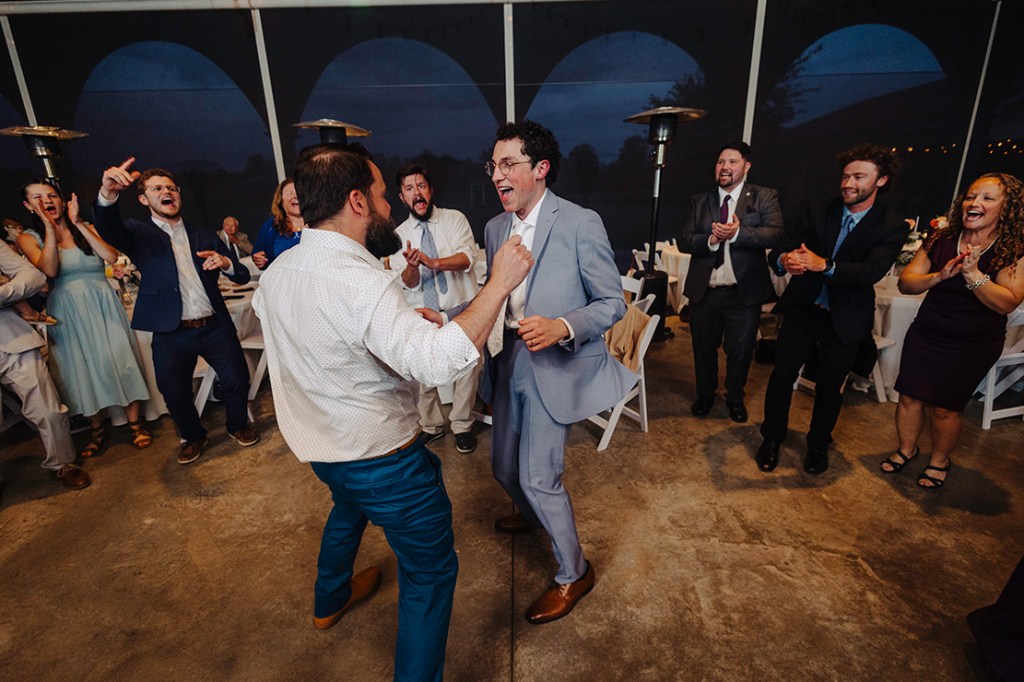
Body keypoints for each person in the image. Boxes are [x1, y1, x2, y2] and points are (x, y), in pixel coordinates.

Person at [252, 144, 532, 682]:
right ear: (358, 202)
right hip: (385, 463)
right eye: (382, 195)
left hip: (323, 450)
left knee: (346, 510)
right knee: (429, 575)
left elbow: (317, 336)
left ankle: (330, 598)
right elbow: (437, 363)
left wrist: (393, 328)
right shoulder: (359, 282)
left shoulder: (279, 272)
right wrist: (498, 283)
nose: (388, 206)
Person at [478, 120, 635, 624]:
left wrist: (563, 326)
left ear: (541, 168)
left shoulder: (580, 222)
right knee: (503, 469)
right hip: (508, 360)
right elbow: (490, 294)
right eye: (493, 165)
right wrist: (446, 317)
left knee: (539, 477)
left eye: (509, 164)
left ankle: (574, 572)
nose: (498, 175)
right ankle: (531, 515)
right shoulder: (495, 228)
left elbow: (612, 303)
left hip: (556, 365)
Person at [93, 158, 259, 465]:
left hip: (214, 326)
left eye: (170, 187)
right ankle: (192, 436)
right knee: (174, 392)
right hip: (171, 332)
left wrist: (226, 263)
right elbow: (109, 228)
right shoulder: (138, 234)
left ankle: (238, 425)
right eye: (157, 189)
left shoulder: (205, 235)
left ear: (178, 195)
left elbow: (241, 275)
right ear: (144, 199)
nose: (166, 192)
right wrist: (108, 193)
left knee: (237, 379)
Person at [757, 143, 906, 475]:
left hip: (845, 318)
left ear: (881, 180)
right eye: (845, 176)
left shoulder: (892, 225)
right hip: (803, 309)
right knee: (782, 376)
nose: (848, 183)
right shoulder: (818, 210)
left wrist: (824, 264)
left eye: (859, 177)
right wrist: (785, 260)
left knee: (829, 388)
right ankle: (772, 438)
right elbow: (781, 249)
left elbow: (870, 272)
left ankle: (817, 445)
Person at [881, 172, 1024, 488]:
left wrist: (973, 275)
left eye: (987, 198)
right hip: (926, 332)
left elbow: (1007, 303)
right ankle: (907, 449)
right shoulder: (940, 239)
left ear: (1007, 207)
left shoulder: (1013, 248)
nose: (974, 203)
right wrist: (938, 277)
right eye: (971, 196)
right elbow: (907, 283)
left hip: (973, 342)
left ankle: (939, 461)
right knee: (909, 396)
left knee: (945, 408)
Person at [19, 181, 152, 456]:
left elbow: (111, 256)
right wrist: (50, 229)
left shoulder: (85, 226)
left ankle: (136, 425)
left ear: (62, 200)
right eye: (38, 198)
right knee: (79, 368)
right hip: (66, 308)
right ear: (28, 205)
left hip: (103, 302)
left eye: (52, 195)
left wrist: (78, 223)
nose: (47, 201)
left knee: (121, 359)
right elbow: (50, 270)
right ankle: (97, 430)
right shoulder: (29, 238)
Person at [678, 141, 782, 422]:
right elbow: (684, 240)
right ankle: (705, 394)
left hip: (743, 293)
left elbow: (775, 234)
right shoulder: (700, 201)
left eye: (732, 162)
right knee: (703, 349)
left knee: (740, 351)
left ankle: (735, 397)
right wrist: (711, 239)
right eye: (721, 161)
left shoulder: (764, 196)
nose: (725, 167)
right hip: (705, 291)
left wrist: (737, 234)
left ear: (746, 167)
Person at [387, 163, 481, 453]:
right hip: (421, 314)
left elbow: (467, 258)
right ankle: (431, 426)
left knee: (466, 369)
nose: (417, 193)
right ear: (402, 197)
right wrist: (412, 267)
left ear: (430, 190)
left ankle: (462, 425)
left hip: (459, 310)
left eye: (421, 186)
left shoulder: (454, 219)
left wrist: (433, 262)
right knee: (422, 375)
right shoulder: (399, 235)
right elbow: (408, 283)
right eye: (409, 188)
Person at [0, 243, 90, 489]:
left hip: (12, 338)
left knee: (47, 408)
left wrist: (4, 292)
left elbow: (34, 276)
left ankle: (63, 463)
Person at [252, 178, 304, 269]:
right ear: (281, 201)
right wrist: (259, 259)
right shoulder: (271, 226)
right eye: (290, 193)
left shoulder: (320, 223)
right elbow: (258, 251)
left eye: (299, 191)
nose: (296, 196)